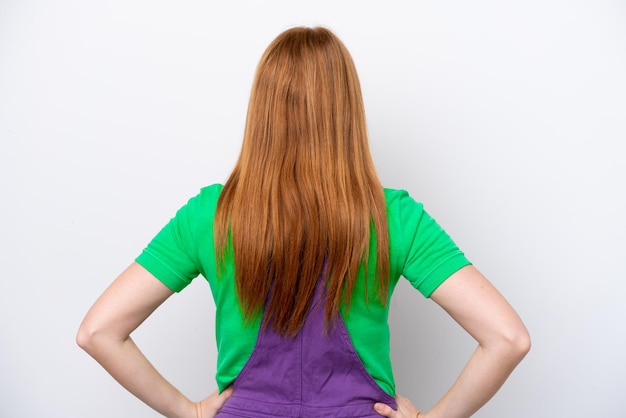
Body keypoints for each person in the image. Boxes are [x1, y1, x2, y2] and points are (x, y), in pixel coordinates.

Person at [77, 26, 530, 418]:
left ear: (263, 112)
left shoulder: (211, 214)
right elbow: (507, 338)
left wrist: (186, 410)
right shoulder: (393, 216)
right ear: (347, 112)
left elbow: (99, 331)